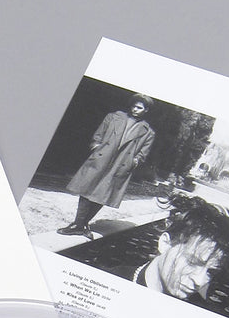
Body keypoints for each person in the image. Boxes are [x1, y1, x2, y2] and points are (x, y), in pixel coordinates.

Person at [118, 198, 229, 304]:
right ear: (165, 244)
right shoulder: (114, 281)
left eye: (210, 272)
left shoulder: (197, 316)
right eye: (192, 262)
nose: (200, 281)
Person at [57, 93, 155, 239]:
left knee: (104, 194)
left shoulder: (148, 132)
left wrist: (134, 161)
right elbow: (98, 135)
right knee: (87, 188)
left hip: (120, 165)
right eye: (134, 106)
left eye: (139, 108)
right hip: (102, 158)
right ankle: (79, 224)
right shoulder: (113, 117)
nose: (135, 109)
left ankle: (80, 225)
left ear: (146, 110)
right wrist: (96, 147)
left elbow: (142, 154)